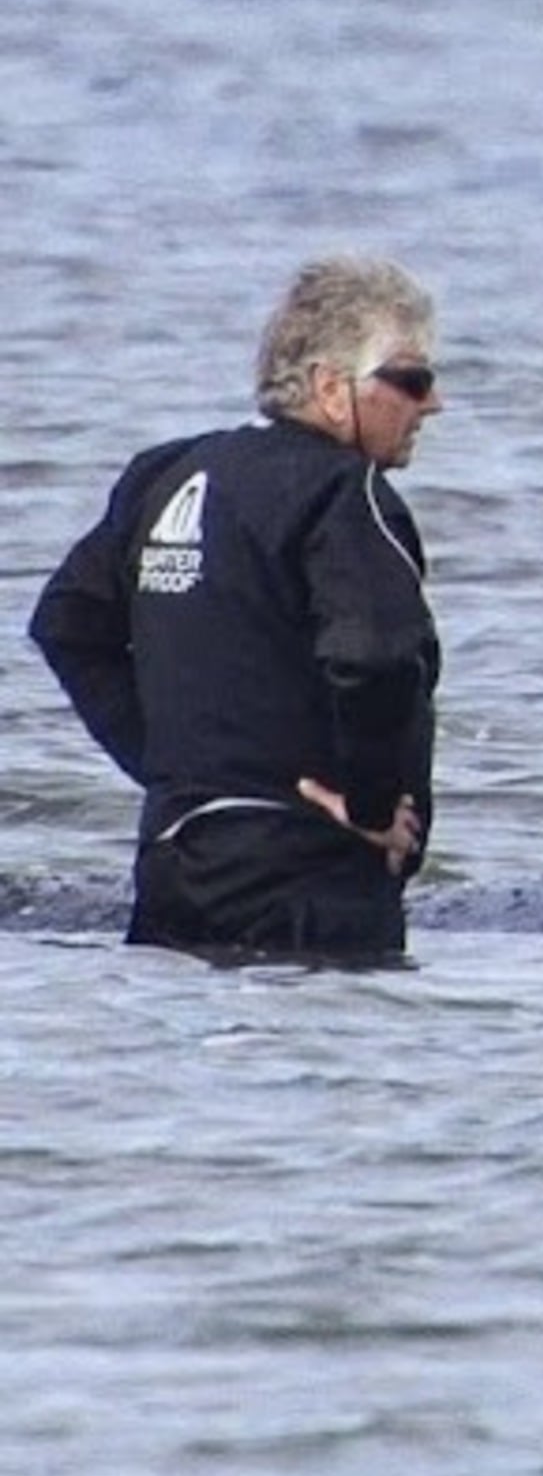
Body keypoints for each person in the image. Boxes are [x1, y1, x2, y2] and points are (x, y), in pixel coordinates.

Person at [29, 256, 449, 962]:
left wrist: (173, 770)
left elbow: (68, 626)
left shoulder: (166, 473)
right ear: (330, 387)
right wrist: (374, 808)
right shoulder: (344, 494)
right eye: (410, 379)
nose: (431, 403)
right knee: (343, 1071)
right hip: (310, 882)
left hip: (175, 867)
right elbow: (373, 656)